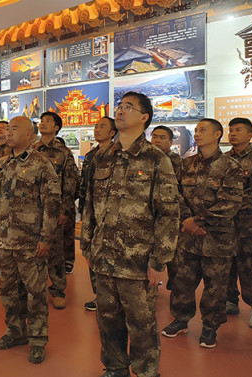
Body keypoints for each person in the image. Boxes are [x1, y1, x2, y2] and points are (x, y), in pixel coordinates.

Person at [81, 93, 180, 377]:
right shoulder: (102, 157)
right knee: (107, 321)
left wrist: (158, 261)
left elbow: (168, 213)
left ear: (144, 118)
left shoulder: (156, 159)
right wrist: (87, 245)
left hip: (137, 261)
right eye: (120, 107)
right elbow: (89, 204)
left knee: (141, 325)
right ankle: (115, 368)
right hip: (103, 256)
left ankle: (147, 371)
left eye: (128, 107)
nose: (121, 111)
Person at [163, 118, 243, 349]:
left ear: (217, 134)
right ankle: (180, 319)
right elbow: (174, 194)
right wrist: (186, 221)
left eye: (203, 130)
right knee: (182, 281)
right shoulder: (186, 164)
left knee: (215, 286)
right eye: (196, 130)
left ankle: (210, 326)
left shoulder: (230, 166)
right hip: (188, 237)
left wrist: (196, 221)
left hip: (217, 238)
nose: (197, 133)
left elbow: (230, 203)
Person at [0, 116, 60, 364]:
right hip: (6, 240)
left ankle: (38, 340)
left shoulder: (41, 164)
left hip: (31, 242)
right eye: (7, 129)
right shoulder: (2, 162)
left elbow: (52, 204)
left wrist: (46, 238)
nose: (9, 133)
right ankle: (15, 331)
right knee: (9, 291)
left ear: (29, 135)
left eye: (14, 129)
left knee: (35, 294)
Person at [224, 117, 252, 329]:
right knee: (227, 265)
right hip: (226, 224)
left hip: (250, 224)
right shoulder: (223, 160)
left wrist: (231, 203)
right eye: (231, 130)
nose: (233, 134)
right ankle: (230, 300)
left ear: (250, 135)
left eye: (238, 130)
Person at [34, 111, 80, 309]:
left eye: (48, 121)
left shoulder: (63, 153)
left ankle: (58, 289)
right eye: (41, 121)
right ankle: (36, 289)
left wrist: (64, 211)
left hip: (53, 211)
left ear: (56, 128)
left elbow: (70, 184)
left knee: (55, 252)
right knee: (33, 252)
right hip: (31, 211)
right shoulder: (32, 149)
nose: (43, 123)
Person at [78, 116, 117, 312]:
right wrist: (82, 209)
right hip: (90, 210)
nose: (97, 129)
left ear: (112, 132)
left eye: (102, 126)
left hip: (109, 213)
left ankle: (113, 297)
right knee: (92, 253)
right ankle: (99, 295)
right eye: (96, 126)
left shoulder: (117, 154)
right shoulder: (91, 155)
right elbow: (84, 185)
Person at [150, 125, 182, 291]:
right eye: (154, 136)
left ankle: (175, 290)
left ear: (171, 142)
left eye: (162, 137)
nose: (157, 140)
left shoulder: (178, 162)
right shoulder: (147, 160)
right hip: (150, 216)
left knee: (175, 259)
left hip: (171, 216)